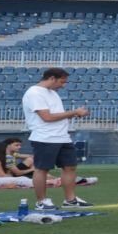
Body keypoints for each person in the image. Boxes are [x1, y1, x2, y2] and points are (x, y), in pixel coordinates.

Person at [21, 66, 92, 210]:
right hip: (45, 137)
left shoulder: (52, 93)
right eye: (62, 82)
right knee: (42, 169)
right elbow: (47, 117)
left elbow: (56, 115)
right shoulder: (34, 93)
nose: (63, 85)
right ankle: (41, 201)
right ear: (52, 78)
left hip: (62, 137)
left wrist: (74, 114)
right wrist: (74, 112)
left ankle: (70, 200)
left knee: (70, 167)